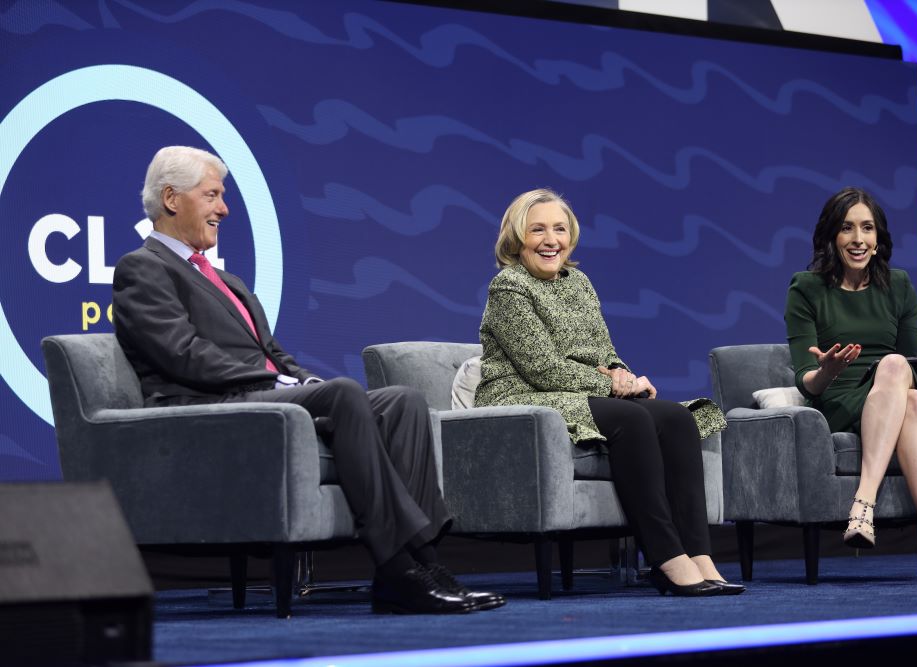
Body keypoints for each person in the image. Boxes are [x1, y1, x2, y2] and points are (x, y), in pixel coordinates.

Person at [113, 146, 504, 613]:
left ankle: (420, 565)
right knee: (339, 396)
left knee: (402, 401)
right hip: (205, 411)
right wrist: (278, 383)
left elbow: (273, 353)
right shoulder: (143, 267)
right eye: (212, 195)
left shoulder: (229, 280)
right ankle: (402, 567)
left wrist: (299, 379)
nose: (224, 208)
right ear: (172, 199)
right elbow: (183, 355)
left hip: (257, 398)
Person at [474, 189, 741, 597]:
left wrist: (625, 376)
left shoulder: (579, 282)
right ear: (516, 238)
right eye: (538, 230)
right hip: (521, 395)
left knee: (674, 416)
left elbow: (604, 353)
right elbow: (542, 368)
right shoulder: (508, 287)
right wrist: (614, 386)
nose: (551, 240)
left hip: (576, 391)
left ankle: (699, 554)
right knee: (632, 417)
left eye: (559, 229)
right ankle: (666, 559)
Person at [785, 186, 917, 584]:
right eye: (847, 229)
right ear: (832, 236)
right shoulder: (806, 288)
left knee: (913, 397)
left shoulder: (897, 286)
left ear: (879, 238)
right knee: (900, 372)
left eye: (867, 229)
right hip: (839, 403)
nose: (858, 239)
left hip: (893, 399)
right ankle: (883, 510)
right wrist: (828, 369)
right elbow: (807, 382)